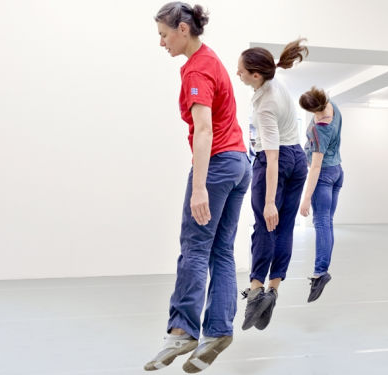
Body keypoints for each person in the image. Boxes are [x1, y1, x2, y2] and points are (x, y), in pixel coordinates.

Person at [145, 2, 251, 373]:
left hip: (219, 165)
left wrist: (200, 187)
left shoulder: (196, 69)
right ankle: (219, 329)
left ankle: (182, 329)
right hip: (240, 163)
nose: (161, 43)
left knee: (194, 246)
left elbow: (204, 129)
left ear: (182, 29)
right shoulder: (212, 60)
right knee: (220, 250)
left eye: (163, 34)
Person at [236, 40, 309, 330]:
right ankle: (273, 291)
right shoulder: (276, 83)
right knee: (285, 227)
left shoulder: (265, 104)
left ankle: (255, 293)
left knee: (266, 225)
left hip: (275, 161)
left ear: (256, 75)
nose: (237, 73)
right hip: (299, 161)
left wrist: (268, 202)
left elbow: (273, 154)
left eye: (240, 70)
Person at [298, 87, 343, 303]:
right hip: (337, 171)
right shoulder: (332, 105)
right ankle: (323, 269)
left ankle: (320, 272)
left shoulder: (320, 130)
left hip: (324, 175)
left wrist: (306, 198)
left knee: (322, 223)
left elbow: (315, 167)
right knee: (328, 222)